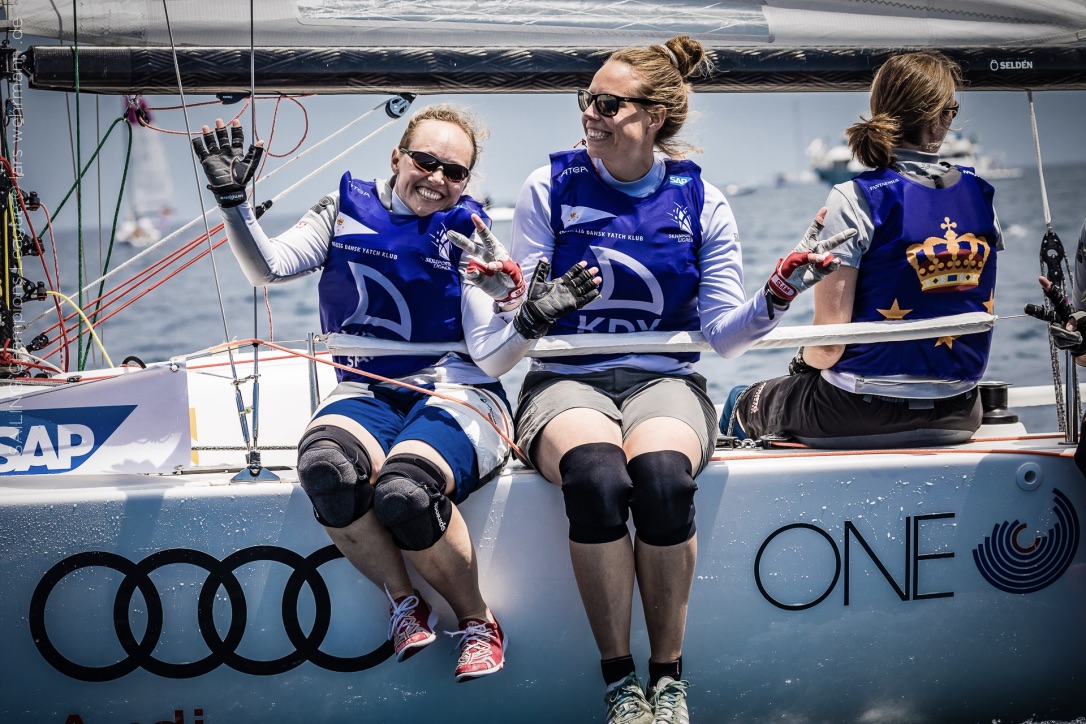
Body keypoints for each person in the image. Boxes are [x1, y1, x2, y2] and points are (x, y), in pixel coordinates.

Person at [464, 36, 848, 724]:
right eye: (587, 99)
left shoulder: (703, 201)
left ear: (655, 117)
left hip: (662, 380)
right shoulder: (547, 187)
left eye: (608, 103)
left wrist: (776, 297)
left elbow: (726, 335)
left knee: (665, 481)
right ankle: (620, 680)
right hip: (564, 380)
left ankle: (668, 678)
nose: (592, 114)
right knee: (598, 478)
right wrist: (529, 308)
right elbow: (512, 308)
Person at [192, 105, 522, 681]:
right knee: (325, 470)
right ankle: (403, 602)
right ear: (396, 158)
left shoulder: (470, 230)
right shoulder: (343, 208)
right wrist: (234, 207)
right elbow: (267, 268)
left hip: (456, 389)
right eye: (426, 161)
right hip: (367, 390)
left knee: (405, 492)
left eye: (455, 171)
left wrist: (507, 298)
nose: (438, 179)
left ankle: (477, 621)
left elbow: (492, 350)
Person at [728, 50, 1003, 450]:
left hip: (855, 411)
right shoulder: (982, 195)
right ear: (943, 117)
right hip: (961, 412)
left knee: (742, 399)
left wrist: (802, 362)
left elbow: (827, 347)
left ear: (881, 109)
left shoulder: (855, 198)